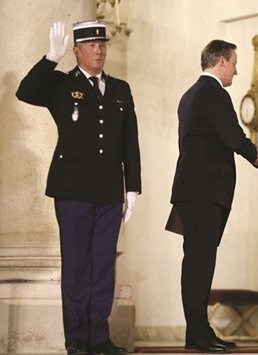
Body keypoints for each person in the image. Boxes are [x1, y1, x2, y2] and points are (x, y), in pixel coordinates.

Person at [15, 20, 141, 355]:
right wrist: (49, 58)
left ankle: (99, 337)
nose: (99, 50)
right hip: (71, 191)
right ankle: (77, 339)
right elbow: (25, 92)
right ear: (77, 51)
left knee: (103, 266)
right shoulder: (60, 84)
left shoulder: (120, 89)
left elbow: (130, 140)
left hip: (109, 190)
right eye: (91, 45)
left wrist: (133, 188)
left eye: (102, 45)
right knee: (77, 266)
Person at [170, 39, 258, 353]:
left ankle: (197, 331)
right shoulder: (214, 94)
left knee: (196, 262)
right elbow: (233, 136)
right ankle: (197, 334)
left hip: (193, 192)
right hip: (204, 193)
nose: (236, 71)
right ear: (221, 61)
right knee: (199, 263)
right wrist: (257, 154)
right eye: (234, 63)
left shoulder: (190, 94)